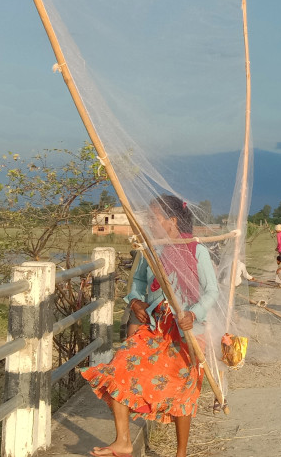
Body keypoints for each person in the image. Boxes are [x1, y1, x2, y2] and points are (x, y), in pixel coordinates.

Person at [83, 194, 219, 457]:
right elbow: (138, 286)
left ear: (171, 221)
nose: (149, 223)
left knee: (183, 387)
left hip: (186, 332)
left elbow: (211, 291)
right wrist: (135, 302)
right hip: (155, 328)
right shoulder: (150, 250)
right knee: (119, 367)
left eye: (153, 218)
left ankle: (181, 453)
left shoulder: (197, 250)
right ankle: (122, 441)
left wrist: (193, 314)